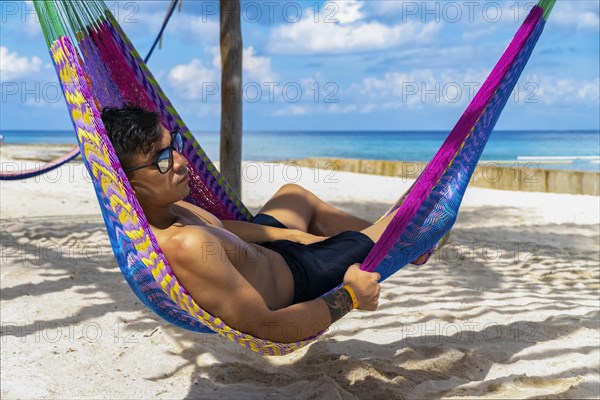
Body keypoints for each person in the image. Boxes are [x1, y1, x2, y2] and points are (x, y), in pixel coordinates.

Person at [101, 106, 412, 343]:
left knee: (293, 194)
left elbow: (220, 226)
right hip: (301, 277)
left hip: (270, 251)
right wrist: (351, 297)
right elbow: (269, 327)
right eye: (161, 160)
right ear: (124, 181)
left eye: (174, 146)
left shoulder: (168, 206)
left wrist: (292, 234)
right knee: (408, 219)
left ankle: (375, 237)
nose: (181, 162)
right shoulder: (187, 247)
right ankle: (406, 243)